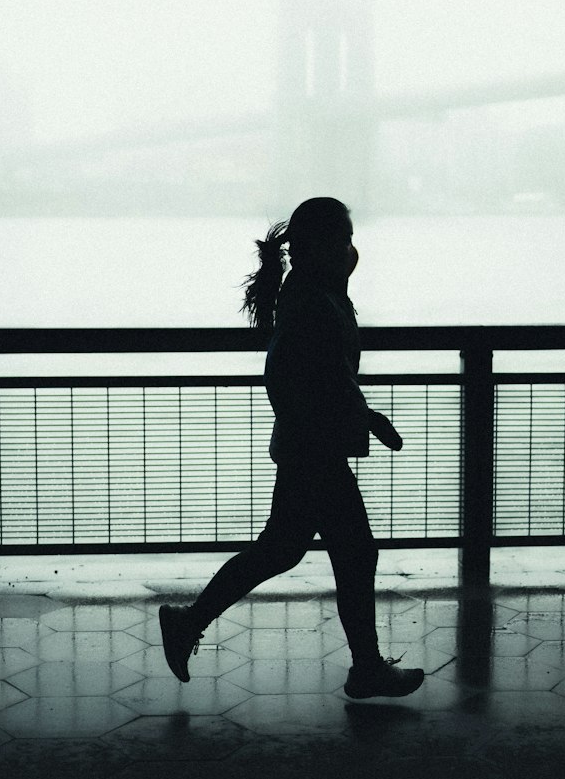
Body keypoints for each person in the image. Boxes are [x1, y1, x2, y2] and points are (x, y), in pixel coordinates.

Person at [159, 196, 425, 699]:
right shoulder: (310, 303)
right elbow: (290, 377)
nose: (353, 249)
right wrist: (353, 420)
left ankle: (188, 621)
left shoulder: (312, 293)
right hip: (316, 453)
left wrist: (362, 417)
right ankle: (365, 667)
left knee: (283, 548)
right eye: (345, 238)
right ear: (322, 245)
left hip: (310, 449)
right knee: (351, 551)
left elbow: (325, 375)